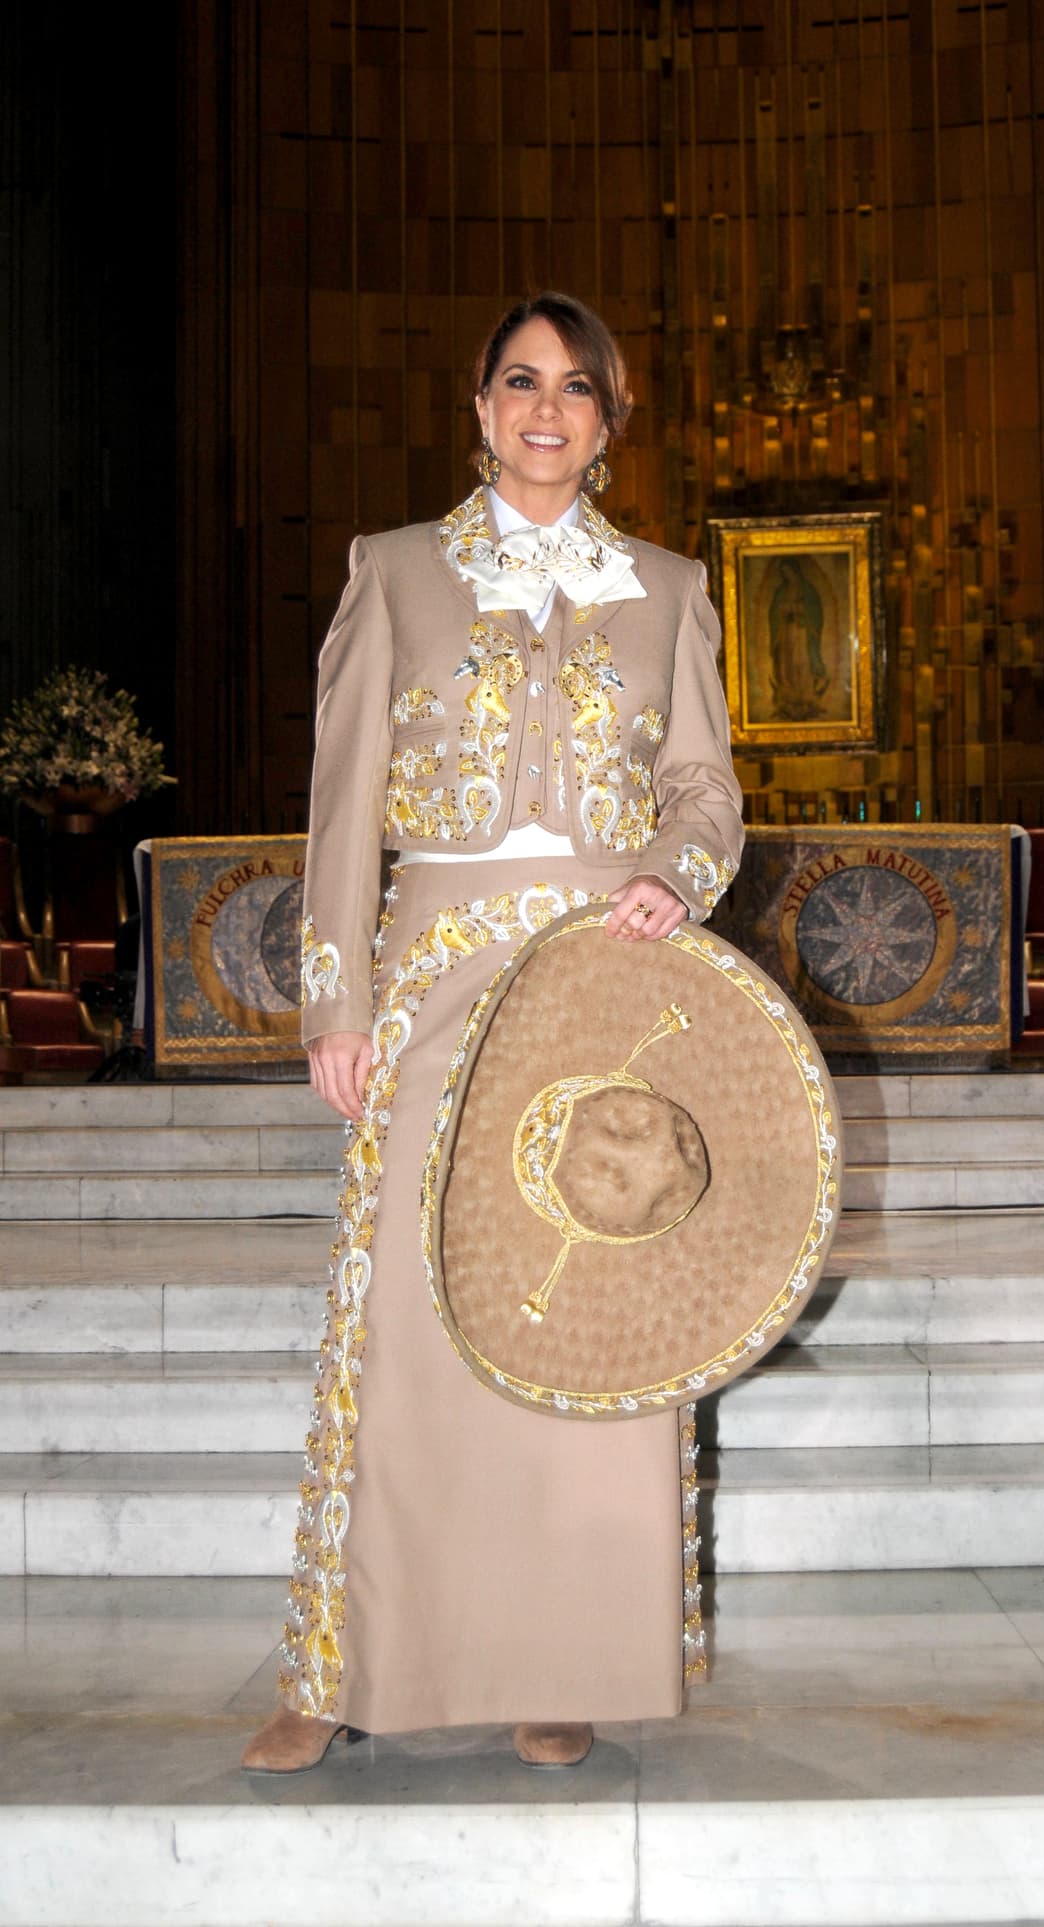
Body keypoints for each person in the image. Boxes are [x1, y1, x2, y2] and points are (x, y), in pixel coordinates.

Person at [241, 292, 744, 1773]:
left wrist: (674, 875)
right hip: (430, 982)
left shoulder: (669, 587)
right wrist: (338, 1002)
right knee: (406, 1315)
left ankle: (564, 1656)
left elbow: (705, 791)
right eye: (521, 381)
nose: (545, 409)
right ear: (478, 406)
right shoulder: (394, 569)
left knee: (589, 1306)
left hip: (604, 985)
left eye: (576, 388)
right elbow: (342, 804)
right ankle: (344, 1667)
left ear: (609, 420)